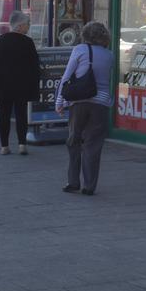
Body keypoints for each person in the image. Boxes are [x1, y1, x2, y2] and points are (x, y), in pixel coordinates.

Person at [56, 21, 114, 195]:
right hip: (101, 104)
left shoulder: (79, 50)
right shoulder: (110, 55)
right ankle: (89, 186)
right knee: (93, 144)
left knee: (74, 141)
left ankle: (73, 182)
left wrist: (60, 102)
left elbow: (66, 78)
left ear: (85, 34)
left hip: (79, 102)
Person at [0, 11, 41, 156]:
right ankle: (22, 144)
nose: (29, 27)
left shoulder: (2, 40)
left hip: (3, 83)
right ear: (20, 26)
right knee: (21, 114)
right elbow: (35, 63)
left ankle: (4, 146)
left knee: (4, 114)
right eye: (27, 24)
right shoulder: (28, 42)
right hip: (22, 84)